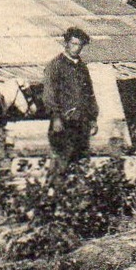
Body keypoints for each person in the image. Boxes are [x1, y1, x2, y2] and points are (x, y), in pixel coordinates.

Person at [42, 27, 99, 175]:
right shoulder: (55, 65)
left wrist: (93, 119)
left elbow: (89, 94)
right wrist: (55, 117)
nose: (76, 48)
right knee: (61, 161)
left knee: (80, 160)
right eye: (73, 44)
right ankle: (55, 194)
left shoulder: (82, 67)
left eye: (79, 45)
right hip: (63, 122)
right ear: (66, 43)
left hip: (81, 122)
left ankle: (76, 195)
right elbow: (49, 94)